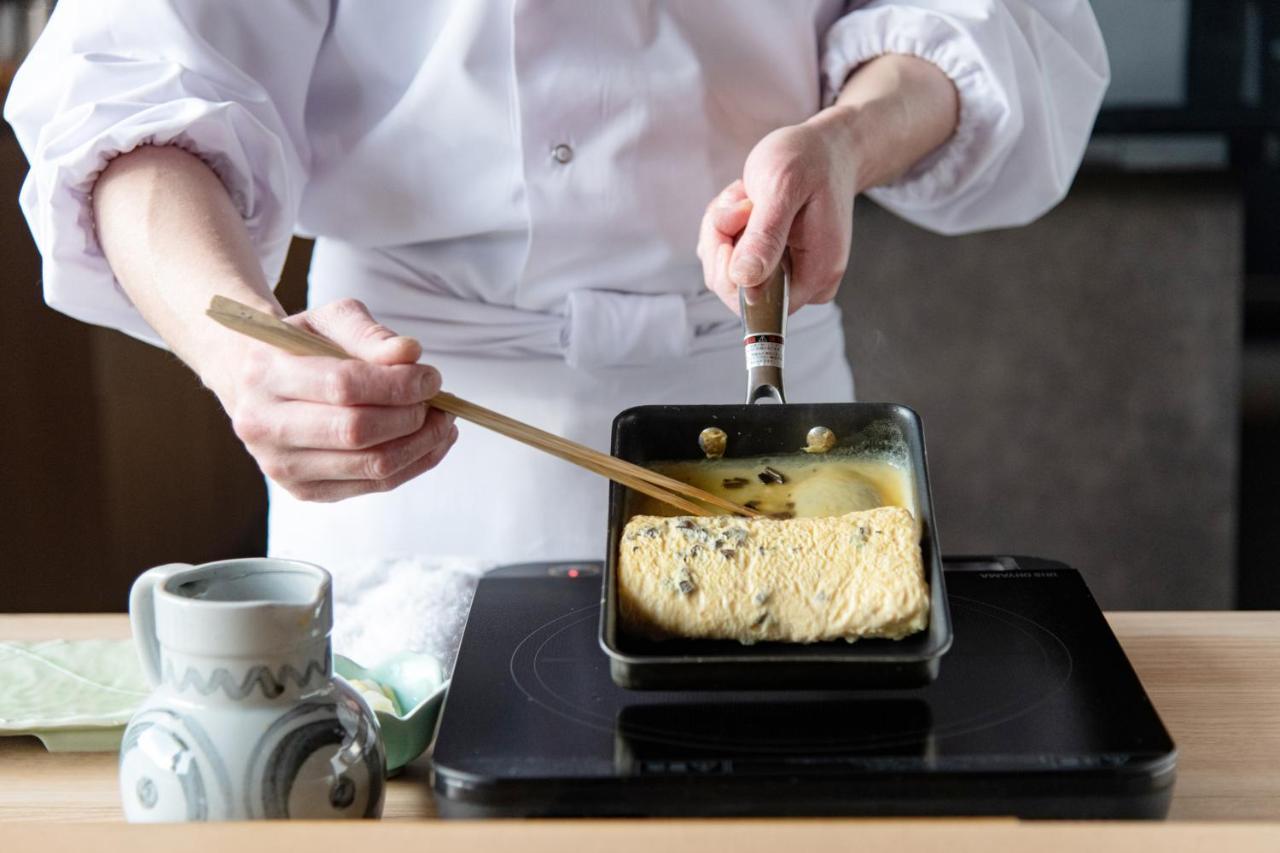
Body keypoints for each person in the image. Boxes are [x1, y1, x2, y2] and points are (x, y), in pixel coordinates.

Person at [6, 2, 1108, 568]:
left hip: (755, 392)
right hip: (409, 427)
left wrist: (846, 140)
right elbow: (134, 78)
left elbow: (990, 24)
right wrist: (246, 354)